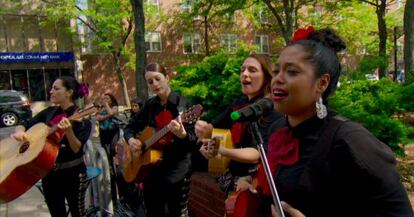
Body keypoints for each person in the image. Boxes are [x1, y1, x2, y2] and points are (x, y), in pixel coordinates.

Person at [263, 27, 414, 217]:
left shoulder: (351, 141)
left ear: (322, 83)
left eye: (292, 72)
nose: (277, 79)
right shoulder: (278, 129)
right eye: (276, 71)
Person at [195, 53, 283, 195]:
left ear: (266, 77)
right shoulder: (239, 103)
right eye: (242, 70)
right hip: (233, 177)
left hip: (258, 180)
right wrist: (202, 129)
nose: (245, 74)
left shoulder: (271, 107)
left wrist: (221, 150)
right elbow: (214, 127)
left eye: (252, 70)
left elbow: (257, 153)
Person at [11, 76, 92, 217]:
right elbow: (27, 122)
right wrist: (19, 131)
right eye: (52, 88)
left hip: (73, 174)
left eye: (56, 88)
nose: (51, 92)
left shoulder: (81, 118)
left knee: (78, 213)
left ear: (69, 92)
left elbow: (76, 149)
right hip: (49, 174)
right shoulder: (49, 112)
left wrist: (68, 131)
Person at [123, 63, 197, 217]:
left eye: (158, 79)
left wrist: (182, 134)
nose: (155, 84)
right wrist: (131, 141)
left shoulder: (182, 105)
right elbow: (130, 127)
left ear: (167, 78)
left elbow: (192, 141)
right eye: (150, 82)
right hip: (151, 172)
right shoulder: (150, 105)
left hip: (176, 172)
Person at [96, 92, 119, 203]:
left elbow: (112, 113)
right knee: (105, 152)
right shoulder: (100, 108)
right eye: (104, 98)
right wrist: (105, 115)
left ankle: (114, 165)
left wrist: (106, 108)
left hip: (113, 132)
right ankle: (108, 166)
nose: (105, 100)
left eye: (107, 98)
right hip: (104, 133)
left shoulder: (114, 107)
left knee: (113, 151)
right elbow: (98, 117)